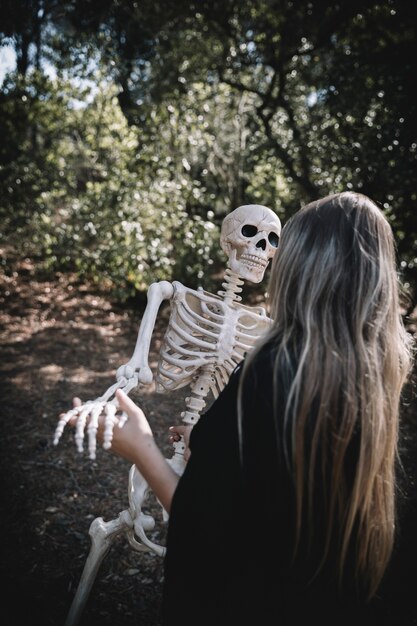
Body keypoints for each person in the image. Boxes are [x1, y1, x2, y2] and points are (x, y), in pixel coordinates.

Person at [66, 191, 414, 625]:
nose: (266, 254)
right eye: (252, 236)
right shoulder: (374, 377)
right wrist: (214, 444)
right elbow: (278, 490)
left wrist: (141, 448)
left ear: (302, 268)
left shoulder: (270, 369)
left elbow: (207, 528)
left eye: (277, 244)